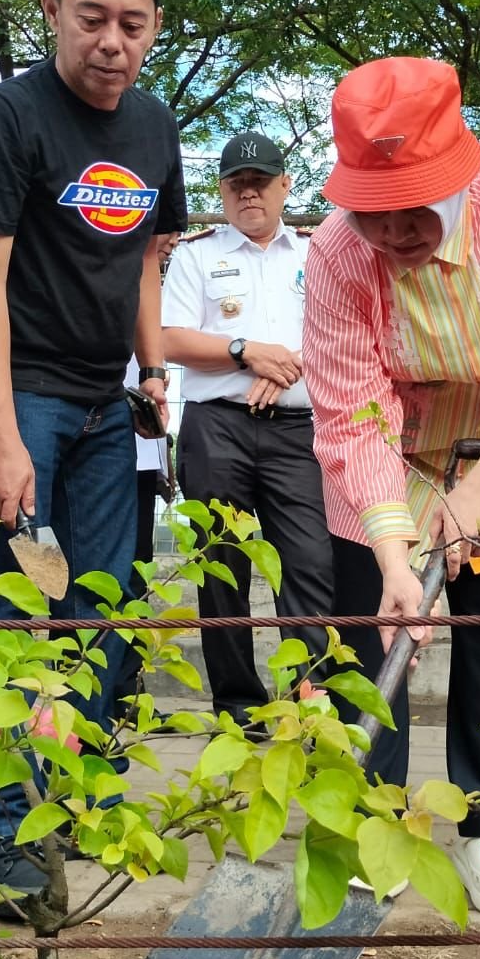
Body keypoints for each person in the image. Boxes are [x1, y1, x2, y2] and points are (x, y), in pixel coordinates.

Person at [304, 57, 480, 915]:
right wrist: (395, 554)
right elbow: (354, 412)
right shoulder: (334, 252)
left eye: (412, 209)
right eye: (373, 212)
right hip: (387, 450)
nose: (390, 233)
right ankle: (374, 823)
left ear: (459, 174)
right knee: (375, 634)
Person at [0, 0, 187, 914]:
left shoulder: (155, 126)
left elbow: (142, 266)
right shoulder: (9, 116)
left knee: (100, 612)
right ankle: (0, 836)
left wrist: (155, 370)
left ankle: (68, 804)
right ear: (52, 9)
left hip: (103, 408)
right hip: (20, 399)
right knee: (9, 611)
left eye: (132, 23)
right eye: (91, 17)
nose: (111, 42)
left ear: (155, 25)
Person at [163, 132, 333, 722]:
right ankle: (236, 709)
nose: (248, 193)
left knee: (309, 568)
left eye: (259, 182)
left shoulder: (320, 252)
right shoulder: (195, 255)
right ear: (223, 191)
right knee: (222, 573)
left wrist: (287, 366)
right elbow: (170, 339)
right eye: (236, 183)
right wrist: (246, 351)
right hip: (218, 431)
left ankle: (306, 707)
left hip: (298, 431)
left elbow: (346, 330)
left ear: (285, 185)